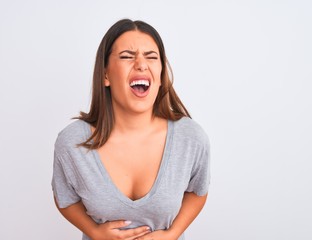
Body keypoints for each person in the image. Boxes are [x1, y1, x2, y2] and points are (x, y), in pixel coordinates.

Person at [52, 19, 210, 240]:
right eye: (127, 56)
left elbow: (198, 191)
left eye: (151, 57)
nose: (141, 64)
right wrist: (94, 232)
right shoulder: (72, 142)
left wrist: (172, 234)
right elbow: (64, 198)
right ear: (105, 75)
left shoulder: (191, 138)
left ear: (161, 73)